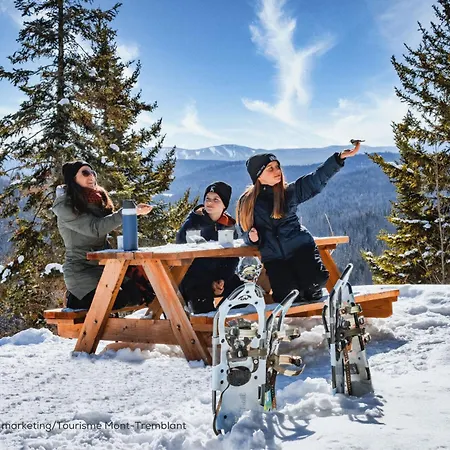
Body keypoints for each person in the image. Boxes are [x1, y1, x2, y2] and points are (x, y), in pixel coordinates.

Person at [237, 142, 361, 303]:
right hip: (275, 259)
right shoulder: (248, 202)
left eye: (277, 166)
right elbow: (243, 232)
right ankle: (302, 294)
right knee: (286, 296)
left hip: (301, 250)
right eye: (270, 169)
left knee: (316, 281)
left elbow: (315, 180)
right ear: (258, 176)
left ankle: (311, 290)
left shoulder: (289, 193)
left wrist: (338, 159)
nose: (277, 171)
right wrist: (251, 237)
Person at [52, 160, 154, 310]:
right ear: (73, 178)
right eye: (85, 173)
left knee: (140, 293)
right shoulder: (66, 207)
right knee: (118, 299)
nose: (91, 176)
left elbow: (105, 227)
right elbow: (95, 229)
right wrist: (127, 212)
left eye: (92, 173)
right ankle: (74, 298)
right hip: (81, 270)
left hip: (102, 267)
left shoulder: (96, 200)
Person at [176, 181, 243, 314]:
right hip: (194, 278)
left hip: (219, 277)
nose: (210, 203)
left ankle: (224, 319)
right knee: (202, 300)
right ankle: (206, 324)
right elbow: (187, 258)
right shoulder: (193, 224)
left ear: (224, 205)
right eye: (208, 199)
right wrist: (210, 281)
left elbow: (232, 257)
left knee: (242, 292)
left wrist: (222, 279)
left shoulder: (228, 225)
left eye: (216, 200)